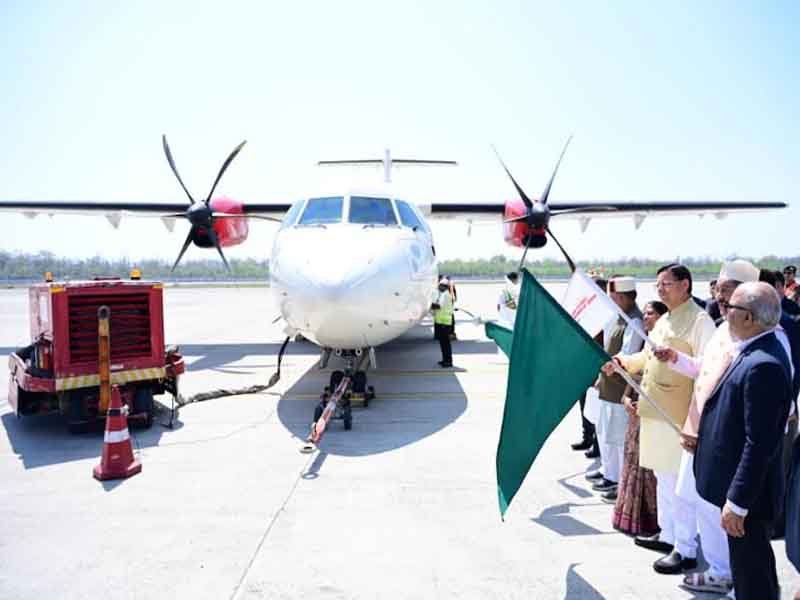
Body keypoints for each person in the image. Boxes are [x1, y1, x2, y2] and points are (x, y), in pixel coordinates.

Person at [654, 259, 760, 595]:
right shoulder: (724, 330)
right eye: (718, 287)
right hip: (698, 428)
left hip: (720, 436)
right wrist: (675, 359)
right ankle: (710, 564)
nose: (719, 293)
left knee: (717, 506)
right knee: (689, 496)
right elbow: (704, 369)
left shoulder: (760, 336)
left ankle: (726, 571)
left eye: (727, 289)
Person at [604, 264, 715, 575]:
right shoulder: (664, 319)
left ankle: (685, 547)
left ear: (685, 285)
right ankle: (669, 536)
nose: (660, 289)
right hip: (653, 411)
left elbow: (708, 368)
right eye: (658, 285)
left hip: (677, 415)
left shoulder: (699, 321)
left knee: (680, 487)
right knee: (663, 481)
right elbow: (647, 357)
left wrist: (676, 359)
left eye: (666, 284)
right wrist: (623, 362)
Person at [694, 282, 792, 600]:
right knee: (749, 570)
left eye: (729, 308)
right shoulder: (750, 349)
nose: (722, 312)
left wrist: (737, 503)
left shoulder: (764, 364)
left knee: (753, 577)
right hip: (742, 493)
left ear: (748, 317)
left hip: (749, 500)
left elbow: (759, 444)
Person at [611, 300, 667, 536]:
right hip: (636, 413)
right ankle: (629, 517)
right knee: (632, 463)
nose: (645, 317)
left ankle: (656, 524)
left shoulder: (665, 343)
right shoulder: (646, 341)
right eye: (644, 313)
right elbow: (635, 374)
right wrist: (625, 398)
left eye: (651, 313)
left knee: (651, 471)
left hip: (654, 413)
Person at [591, 276, 644, 500]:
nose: (610, 300)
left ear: (623, 297)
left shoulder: (634, 321)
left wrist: (613, 364)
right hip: (606, 385)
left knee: (620, 440)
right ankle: (610, 475)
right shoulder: (617, 317)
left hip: (619, 388)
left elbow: (628, 353)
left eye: (613, 297)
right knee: (605, 435)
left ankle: (621, 482)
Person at [431, 277, 454, 368]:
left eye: (441, 285)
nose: (439, 287)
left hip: (444, 324)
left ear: (444, 287)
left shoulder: (445, 295)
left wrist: (428, 304)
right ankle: (445, 360)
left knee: (445, 344)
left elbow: (438, 306)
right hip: (441, 322)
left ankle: (448, 361)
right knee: (443, 343)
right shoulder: (443, 294)